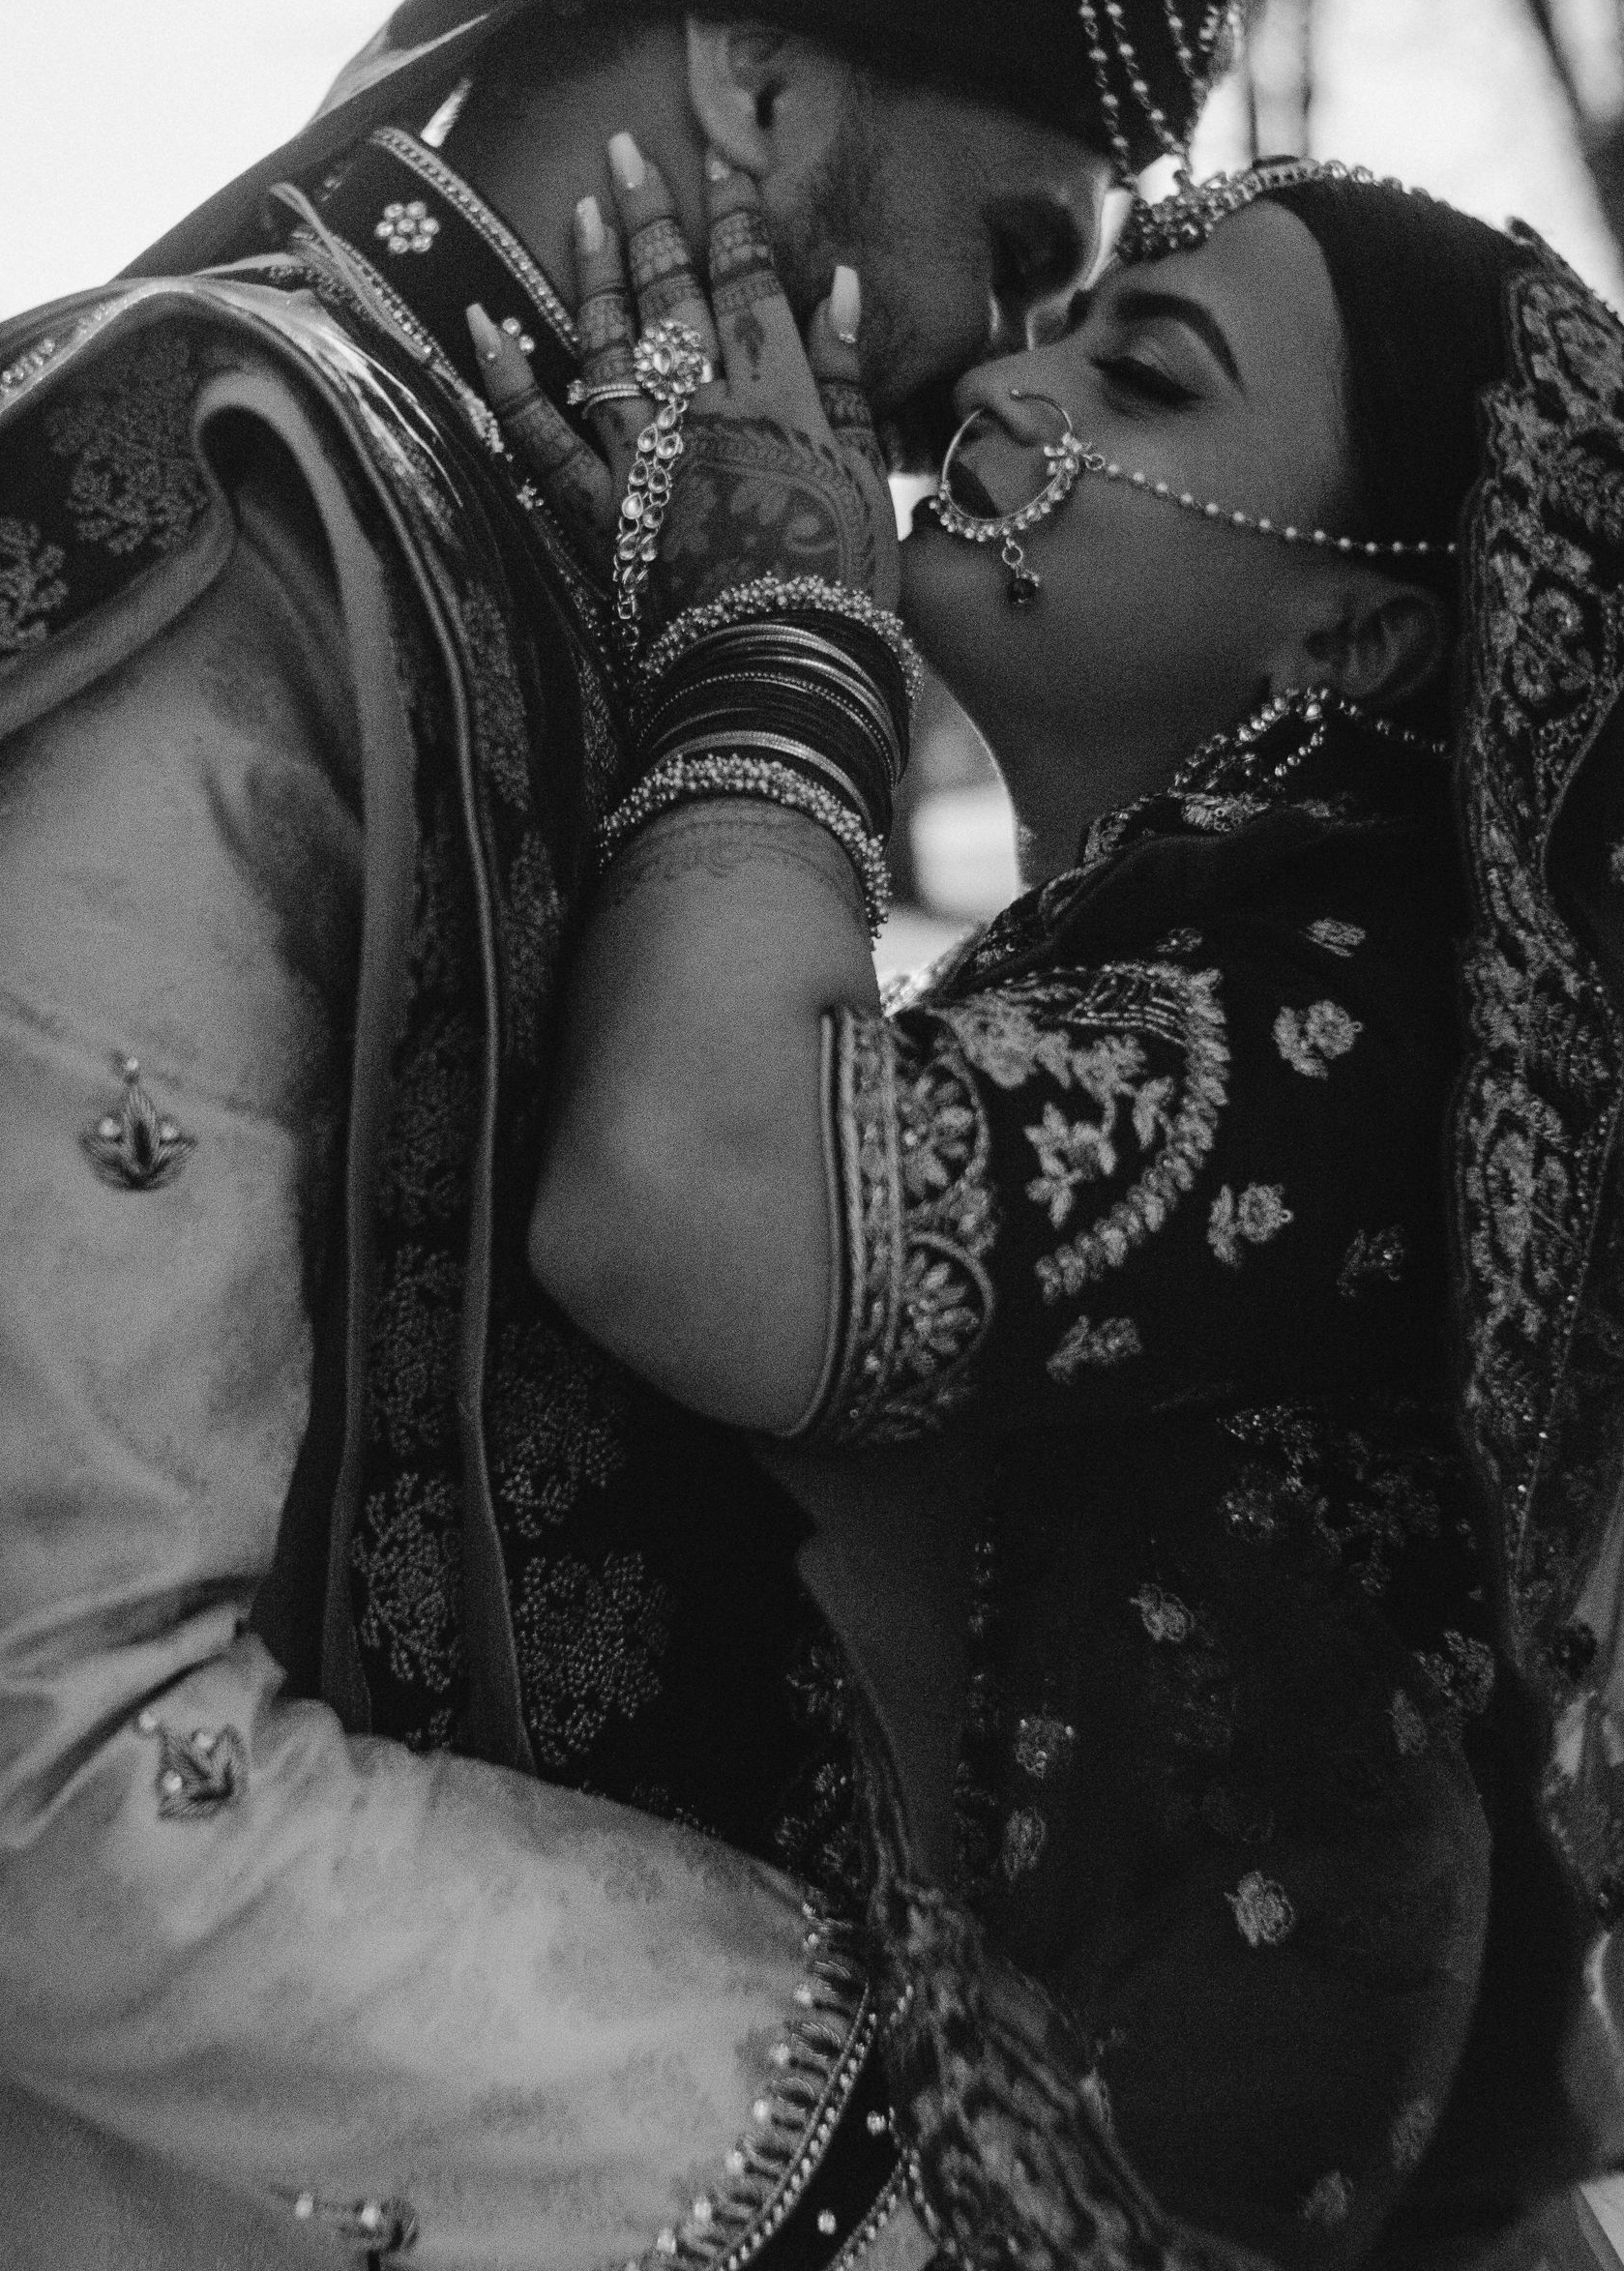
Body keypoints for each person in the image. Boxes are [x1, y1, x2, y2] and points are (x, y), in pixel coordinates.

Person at [0, 0, 1288, 2264]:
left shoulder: (597, 551)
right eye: (1021, 254)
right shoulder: (235, 503)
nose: (996, 392)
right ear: (767, 90)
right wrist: (892, 2138)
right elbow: (9, 1771)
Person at [479, 153, 1624, 2265]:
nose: (1009, 385)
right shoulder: (1158, 968)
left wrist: (773, 628)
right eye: (1060, 318)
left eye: (1150, 374)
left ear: (1359, 625)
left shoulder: (1362, 1038)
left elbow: (687, 1209)